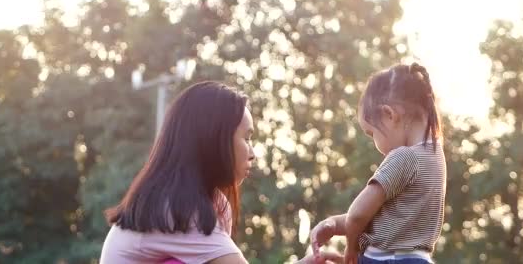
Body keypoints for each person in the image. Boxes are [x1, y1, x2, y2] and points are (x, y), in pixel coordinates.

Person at [100, 81, 341, 264]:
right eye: (246, 138)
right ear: (213, 140)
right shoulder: (179, 210)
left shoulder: (210, 203)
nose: (253, 153)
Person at [310, 63, 446, 264]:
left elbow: (357, 215)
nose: (375, 143)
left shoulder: (404, 157)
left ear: (390, 115)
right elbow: (378, 217)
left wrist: (351, 246)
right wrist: (334, 224)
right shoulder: (436, 157)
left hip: (386, 259)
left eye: (372, 133)